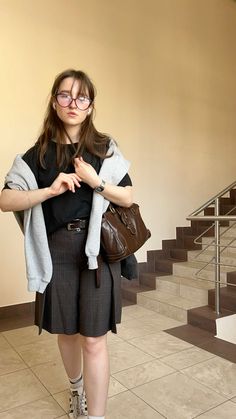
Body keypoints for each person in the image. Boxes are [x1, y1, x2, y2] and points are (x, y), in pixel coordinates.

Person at [0, 69, 133, 419]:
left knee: (93, 338)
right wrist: (49, 190)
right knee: (68, 332)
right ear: (55, 102)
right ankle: (77, 390)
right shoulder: (37, 154)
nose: (73, 103)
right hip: (56, 249)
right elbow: (5, 200)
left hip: (98, 252)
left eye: (82, 97)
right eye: (65, 95)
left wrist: (96, 181)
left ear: (90, 106)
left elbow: (128, 196)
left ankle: (97, 416)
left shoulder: (104, 148)